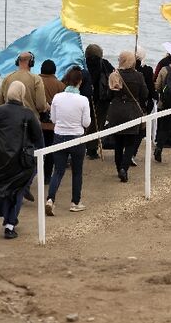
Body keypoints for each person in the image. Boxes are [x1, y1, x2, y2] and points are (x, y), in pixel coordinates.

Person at [0, 82, 43, 239]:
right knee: (17, 190)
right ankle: (10, 225)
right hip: (19, 159)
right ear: (22, 93)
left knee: (3, 188)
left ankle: (7, 216)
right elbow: (37, 136)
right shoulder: (28, 114)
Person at [46, 68, 91, 215]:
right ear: (80, 82)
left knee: (57, 171)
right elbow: (86, 123)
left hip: (59, 135)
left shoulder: (58, 97)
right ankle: (75, 202)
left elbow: (53, 119)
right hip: (76, 137)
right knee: (77, 171)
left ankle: (50, 199)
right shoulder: (83, 100)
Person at [106, 52, 148, 182]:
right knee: (130, 142)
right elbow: (145, 94)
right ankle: (124, 168)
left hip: (116, 111)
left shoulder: (115, 75)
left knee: (118, 142)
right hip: (132, 112)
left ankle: (119, 168)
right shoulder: (139, 76)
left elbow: (109, 95)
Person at [0, 51, 49, 121]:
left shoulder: (7, 78)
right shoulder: (36, 79)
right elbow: (41, 106)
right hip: (30, 122)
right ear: (31, 63)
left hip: (9, 121)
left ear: (17, 62)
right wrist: (46, 107)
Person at [85, 44, 115, 159]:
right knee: (97, 124)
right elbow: (114, 75)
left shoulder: (84, 64)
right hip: (103, 99)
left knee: (84, 123)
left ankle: (82, 146)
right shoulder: (105, 64)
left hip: (86, 98)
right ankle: (92, 149)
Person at [38, 60, 65, 183]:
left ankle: (33, 174)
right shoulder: (60, 85)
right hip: (53, 124)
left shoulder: (36, 82)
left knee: (35, 149)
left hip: (36, 122)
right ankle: (47, 176)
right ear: (54, 71)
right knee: (49, 151)